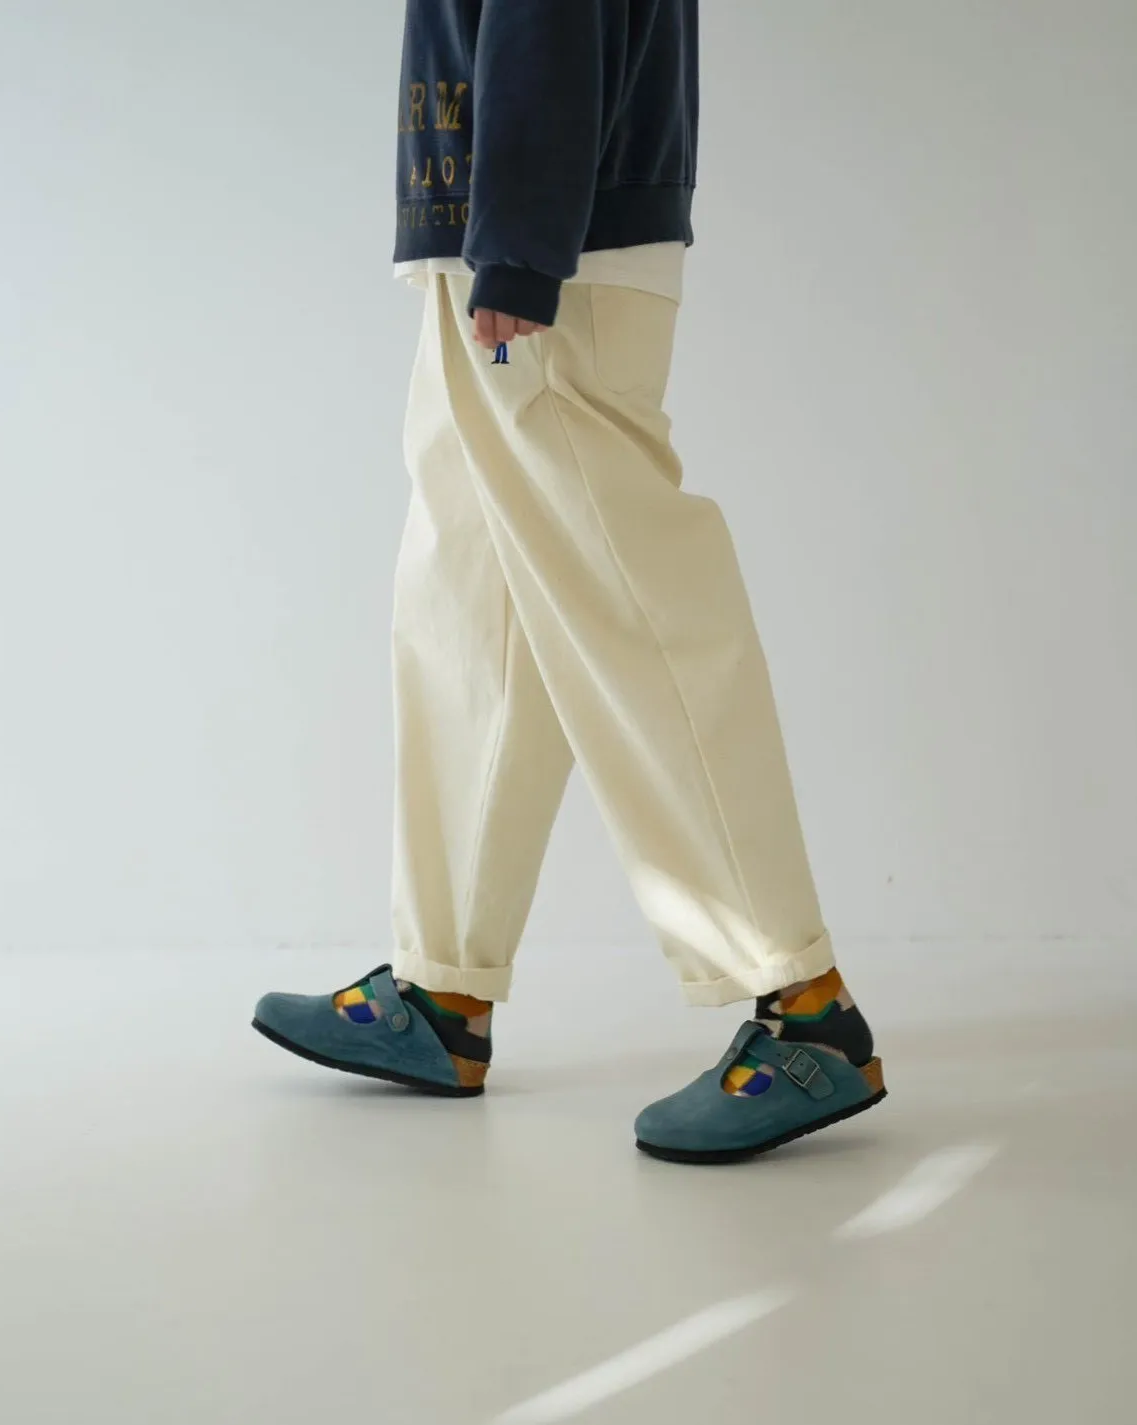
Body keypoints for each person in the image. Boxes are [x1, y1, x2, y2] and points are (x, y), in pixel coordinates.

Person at [253, 0, 886, 1163]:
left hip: (550, 249)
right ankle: (443, 992)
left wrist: (522, 243)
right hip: (506, 236)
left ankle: (805, 1006)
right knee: (469, 610)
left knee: (640, 619)